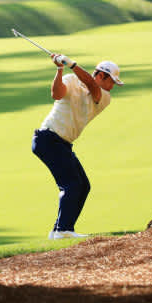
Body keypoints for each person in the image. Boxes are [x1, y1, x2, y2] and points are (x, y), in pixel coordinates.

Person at [32, 53, 123, 239]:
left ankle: (60, 230)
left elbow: (91, 85)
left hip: (62, 144)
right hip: (48, 139)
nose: (113, 86)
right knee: (72, 184)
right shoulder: (71, 79)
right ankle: (62, 231)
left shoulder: (104, 97)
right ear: (101, 75)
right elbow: (56, 94)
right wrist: (59, 69)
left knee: (83, 185)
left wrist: (71, 63)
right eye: (112, 81)